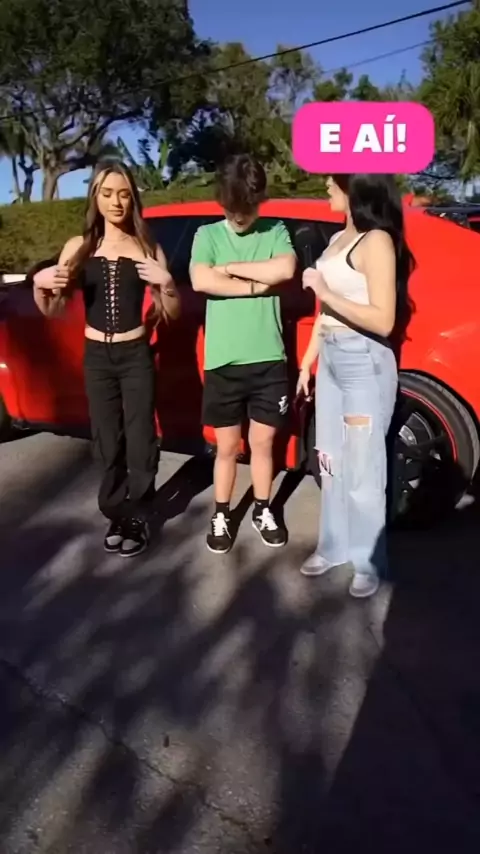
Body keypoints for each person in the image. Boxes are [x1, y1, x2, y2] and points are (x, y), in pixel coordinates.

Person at [32, 159, 180, 557]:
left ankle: (140, 513)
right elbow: (53, 309)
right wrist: (40, 286)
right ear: (95, 197)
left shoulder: (147, 248)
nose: (116, 202)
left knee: (141, 438)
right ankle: (117, 511)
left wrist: (167, 284)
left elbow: (171, 312)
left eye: (124, 194)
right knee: (106, 440)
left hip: (135, 354)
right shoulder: (78, 247)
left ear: (133, 200)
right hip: (97, 356)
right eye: (108, 193)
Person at [298, 174, 414, 598]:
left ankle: (368, 561)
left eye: (333, 180)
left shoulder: (375, 241)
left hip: (363, 360)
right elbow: (324, 313)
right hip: (330, 356)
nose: (327, 186)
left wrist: (325, 291)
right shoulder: (336, 240)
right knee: (330, 460)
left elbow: (383, 319)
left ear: (355, 185)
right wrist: (308, 360)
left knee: (364, 467)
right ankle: (333, 546)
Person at [189, 153, 297, 554]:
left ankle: (263, 508)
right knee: (227, 448)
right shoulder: (207, 234)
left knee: (264, 444)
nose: (238, 217)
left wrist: (229, 269)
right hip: (223, 361)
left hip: (268, 358)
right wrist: (255, 284)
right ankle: (221, 512)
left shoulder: (276, 229)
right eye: (232, 208)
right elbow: (200, 280)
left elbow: (285, 269)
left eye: (246, 208)